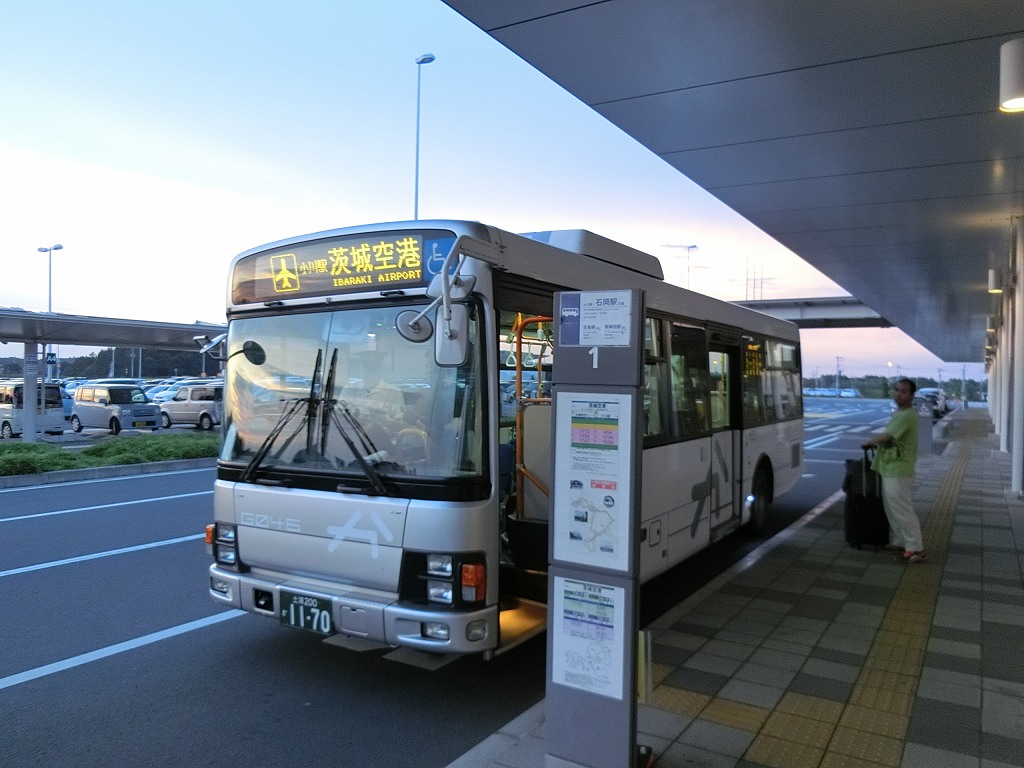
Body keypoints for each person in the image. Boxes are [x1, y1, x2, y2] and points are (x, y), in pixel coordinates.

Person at [862, 378, 927, 563]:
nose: (899, 394)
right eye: (897, 390)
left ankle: (916, 549)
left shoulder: (908, 415)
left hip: (899, 468)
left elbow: (887, 436)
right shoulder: (900, 413)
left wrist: (869, 441)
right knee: (892, 509)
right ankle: (901, 542)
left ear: (912, 395)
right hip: (891, 466)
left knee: (902, 509)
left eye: (904, 391)